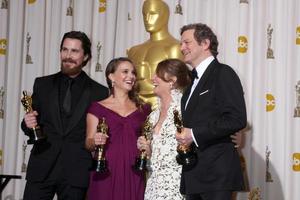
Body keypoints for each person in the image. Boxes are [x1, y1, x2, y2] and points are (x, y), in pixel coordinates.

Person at [137, 59, 243, 200]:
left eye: (158, 74)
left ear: (172, 81)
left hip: (179, 184)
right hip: (154, 187)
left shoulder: (186, 109)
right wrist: (148, 151)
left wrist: (235, 135)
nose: (152, 78)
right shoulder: (153, 116)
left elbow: (216, 125)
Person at [21, 31, 108, 200]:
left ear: (86, 56)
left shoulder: (99, 92)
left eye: (74, 51)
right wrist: (27, 123)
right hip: (42, 167)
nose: (68, 56)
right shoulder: (42, 84)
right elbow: (31, 123)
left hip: (76, 171)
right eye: (64, 50)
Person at [176, 23, 247, 200]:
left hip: (217, 173)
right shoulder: (190, 84)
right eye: (181, 43)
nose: (181, 47)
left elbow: (236, 119)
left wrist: (194, 133)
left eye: (187, 42)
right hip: (193, 173)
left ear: (205, 43)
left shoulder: (223, 73)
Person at [85, 57, 151, 200]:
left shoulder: (144, 109)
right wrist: (94, 141)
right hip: (105, 171)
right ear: (111, 76)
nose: (131, 76)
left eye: (133, 73)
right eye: (125, 72)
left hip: (133, 172)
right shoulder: (96, 107)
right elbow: (88, 143)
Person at [127, 0, 182, 106]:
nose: (147, 19)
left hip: (162, 111)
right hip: (133, 111)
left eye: (152, 14)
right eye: (144, 14)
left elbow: (175, 88)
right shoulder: (134, 50)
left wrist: (144, 82)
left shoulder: (174, 48)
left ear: (165, 16)